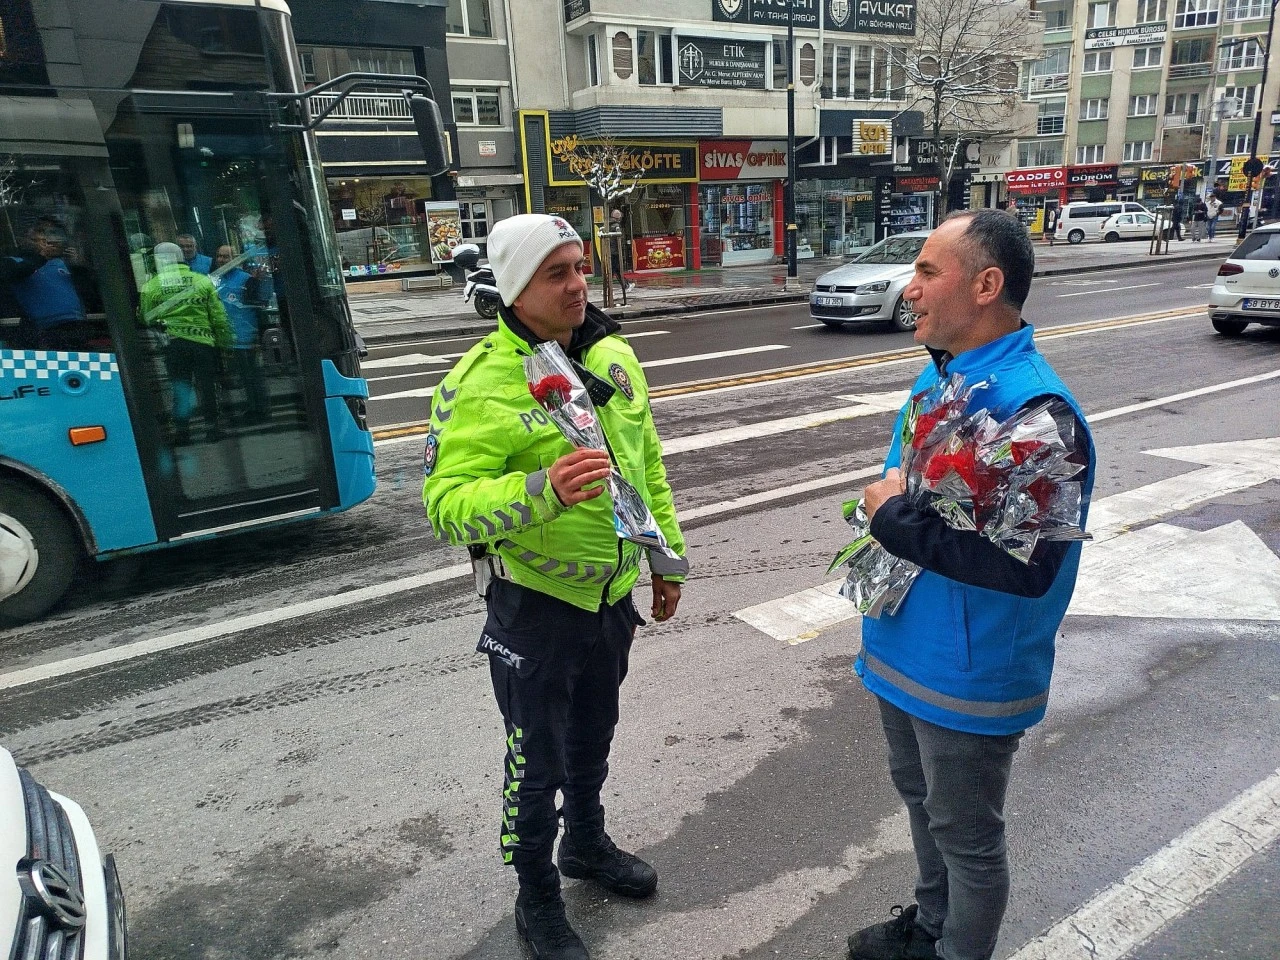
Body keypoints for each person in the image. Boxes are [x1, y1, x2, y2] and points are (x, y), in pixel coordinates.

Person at [422, 214, 689, 960]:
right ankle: (536, 896)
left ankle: (586, 847)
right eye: (556, 273)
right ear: (514, 289)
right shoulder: (481, 382)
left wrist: (667, 561)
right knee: (533, 765)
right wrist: (542, 491)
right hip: (534, 610)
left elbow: (648, 468)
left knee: (590, 739)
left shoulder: (614, 357)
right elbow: (445, 504)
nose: (578, 284)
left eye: (579, 267)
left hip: (609, 598)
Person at [845, 209, 1094, 960]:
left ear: (987, 285)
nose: (909, 289)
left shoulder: (1033, 408)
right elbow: (920, 494)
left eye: (926, 271)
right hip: (903, 647)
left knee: (968, 839)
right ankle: (930, 927)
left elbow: (1027, 564)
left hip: (970, 671)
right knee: (923, 807)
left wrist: (892, 518)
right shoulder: (942, 374)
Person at [139, 242, 232, 443]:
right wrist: (224, 343)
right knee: (207, 387)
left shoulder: (152, 285)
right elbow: (219, 316)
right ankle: (212, 429)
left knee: (180, 388)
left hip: (173, 344)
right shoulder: (202, 281)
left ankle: (182, 432)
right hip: (203, 344)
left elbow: (146, 318)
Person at [0, 219, 93, 351]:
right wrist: (40, 256)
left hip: (78, 327)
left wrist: (79, 266)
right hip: (43, 331)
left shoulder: (66, 264)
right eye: (42, 234)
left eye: (55, 234)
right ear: (27, 239)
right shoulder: (15, 261)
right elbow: (15, 272)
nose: (49, 240)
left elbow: (91, 294)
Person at [213, 245, 269, 423]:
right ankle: (252, 408)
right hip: (229, 338)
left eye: (226, 257)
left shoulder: (247, 280)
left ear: (235, 258)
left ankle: (260, 410)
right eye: (220, 256)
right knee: (244, 377)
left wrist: (257, 337)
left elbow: (258, 308)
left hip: (247, 337)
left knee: (253, 376)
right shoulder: (216, 280)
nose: (222, 260)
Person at [607, 207, 634, 304]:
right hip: (615, 252)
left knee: (614, 270)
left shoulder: (608, 224)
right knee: (614, 270)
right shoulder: (616, 226)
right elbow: (619, 239)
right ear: (618, 218)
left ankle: (624, 285)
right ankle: (611, 289)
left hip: (610, 251)